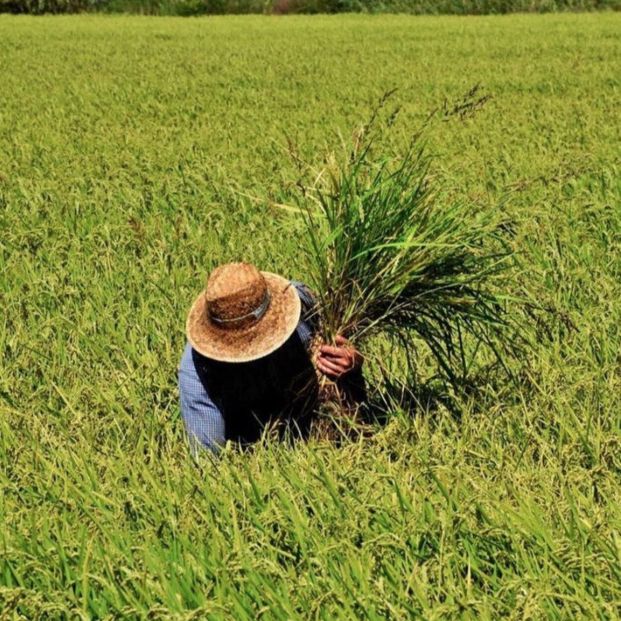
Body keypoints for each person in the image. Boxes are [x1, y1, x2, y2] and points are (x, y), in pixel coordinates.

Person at [178, 262, 365, 455]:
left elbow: (345, 344)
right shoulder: (197, 375)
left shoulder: (301, 303)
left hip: (319, 420)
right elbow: (208, 466)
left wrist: (353, 364)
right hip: (257, 440)